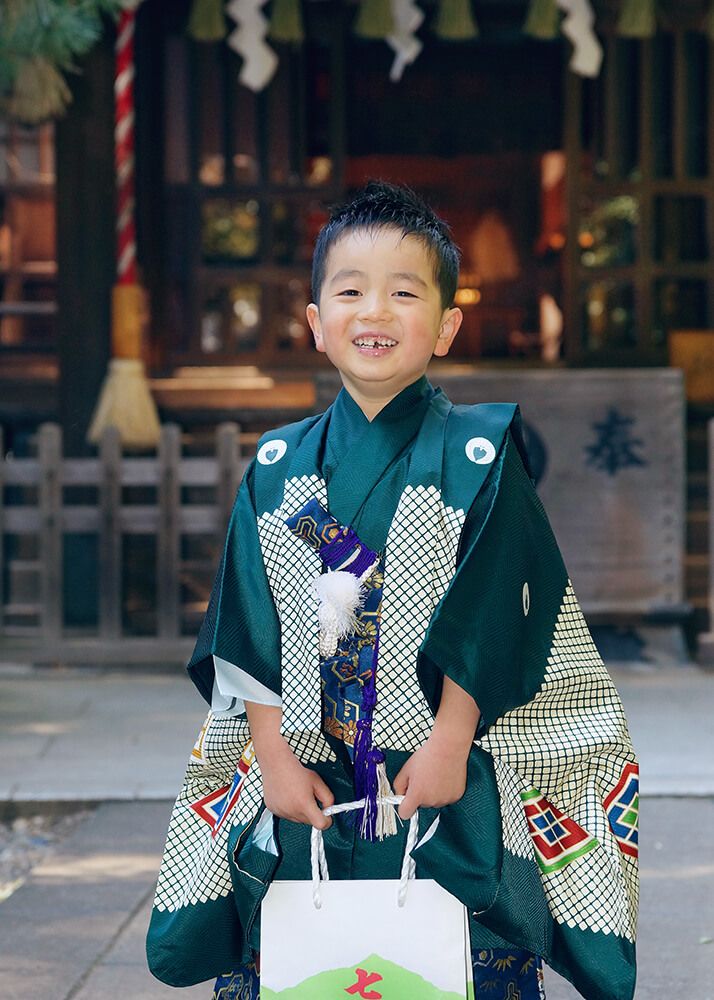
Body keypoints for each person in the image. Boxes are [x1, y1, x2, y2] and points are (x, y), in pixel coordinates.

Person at [147, 182, 638, 1000]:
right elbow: (248, 624)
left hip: (441, 780)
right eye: (350, 291)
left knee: (452, 957)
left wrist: (450, 742)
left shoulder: (478, 455)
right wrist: (269, 755)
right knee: (306, 958)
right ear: (315, 323)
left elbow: (496, 612)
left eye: (404, 292)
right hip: (306, 776)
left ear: (445, 324)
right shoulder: (278, 467)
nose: (374, 311)